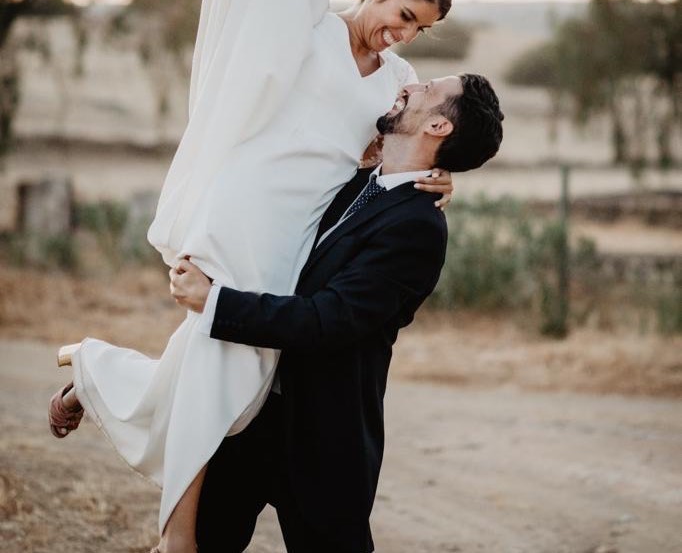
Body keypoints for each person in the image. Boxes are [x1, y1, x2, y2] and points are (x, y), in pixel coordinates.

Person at [47, 0, 456, 553]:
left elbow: (394, 163)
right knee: (226, 368)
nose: (402, 37)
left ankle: (98, 377)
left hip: (296, 235)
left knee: (239, 379)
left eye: (419, 31)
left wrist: (431, 187)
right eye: (401, 15)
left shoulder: (403, 85)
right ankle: (180, 540)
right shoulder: (302, 19)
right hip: (242, 206)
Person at [169, 73, 504, 553]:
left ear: (437, 127)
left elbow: (329, 320)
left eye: (428, 88)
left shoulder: (418, 227)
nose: (410, 85)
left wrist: (215, 301)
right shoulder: (349, 181)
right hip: (250, 408)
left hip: (324, 435)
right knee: (205, 542)